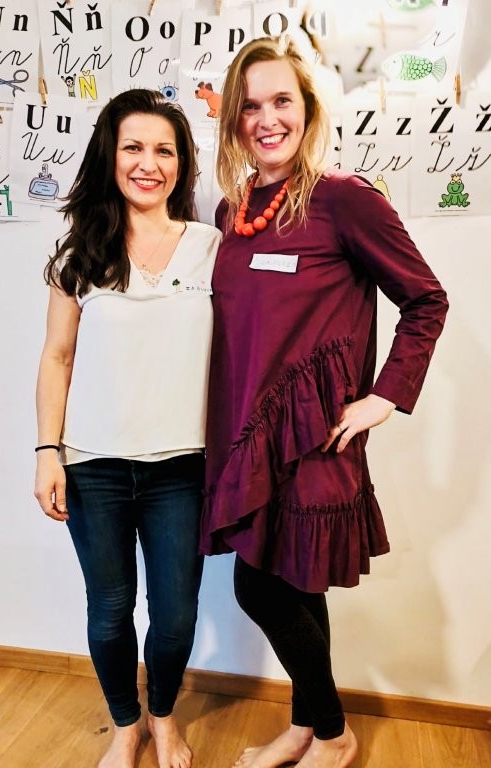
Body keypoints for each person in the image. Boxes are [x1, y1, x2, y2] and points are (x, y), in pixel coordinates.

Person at [201, 36, 449, 768]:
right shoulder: (233, 210)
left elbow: (426, 300)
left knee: (262, 588)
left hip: (314, 439)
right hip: (248, 434)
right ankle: (305, 727)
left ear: (308, 110)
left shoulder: (345, 199)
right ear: (234, 120)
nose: (266, 119)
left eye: (281, 101)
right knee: (293, 583)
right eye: (250, 106)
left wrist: (384, 397)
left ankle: (335, 735)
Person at [34, 88, 221, 768]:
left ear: (182, 164)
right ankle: (125, 723)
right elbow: (57, 358)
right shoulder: (79, 252)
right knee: (110, 611)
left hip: (183, 467)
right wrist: (47, 452)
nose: (149, 163)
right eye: (133, 147)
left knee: (174, 615)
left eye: (164, 150)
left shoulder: (211, 248)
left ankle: (163, 716)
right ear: (109, 157)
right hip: (93, 465)